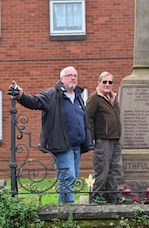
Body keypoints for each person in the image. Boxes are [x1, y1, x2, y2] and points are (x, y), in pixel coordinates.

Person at [11, 66, 93, 204]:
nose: (73, 78)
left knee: (71, 177)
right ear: (61, 79)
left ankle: (63, 209)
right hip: (61, 144)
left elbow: (83, 120)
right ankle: (69, 208)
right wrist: (20, 95)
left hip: (77, 146)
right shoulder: (52, 95)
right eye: (69, 75)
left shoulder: (78, 96)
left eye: (75, 75)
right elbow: (35, 101)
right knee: (68, 176)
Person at [86, 71, 124, 203]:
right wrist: (92, 138)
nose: (107, 84)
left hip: (115, 139)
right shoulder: (95, 98)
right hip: (102, 140)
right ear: (99, 83)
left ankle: (115, 197)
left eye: (110, 82)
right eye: (104, 82)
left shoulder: (114, 98)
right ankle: (95, 196)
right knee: (102, 169)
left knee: (116, 169)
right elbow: (88, 118)